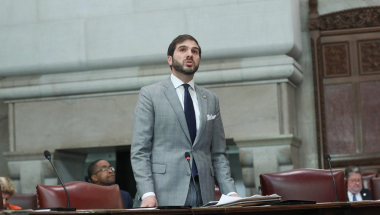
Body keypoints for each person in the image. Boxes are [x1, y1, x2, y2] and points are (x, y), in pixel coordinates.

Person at [131, 34, 239, 207]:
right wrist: (147, 193)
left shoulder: (210, 99)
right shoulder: (150, 94)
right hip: (162, 192)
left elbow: (218, 153)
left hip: (204, 193)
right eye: (183, 50)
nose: (190, 54)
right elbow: (140, 151)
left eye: (195, 51)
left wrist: (230, 191)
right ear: (170, 59)